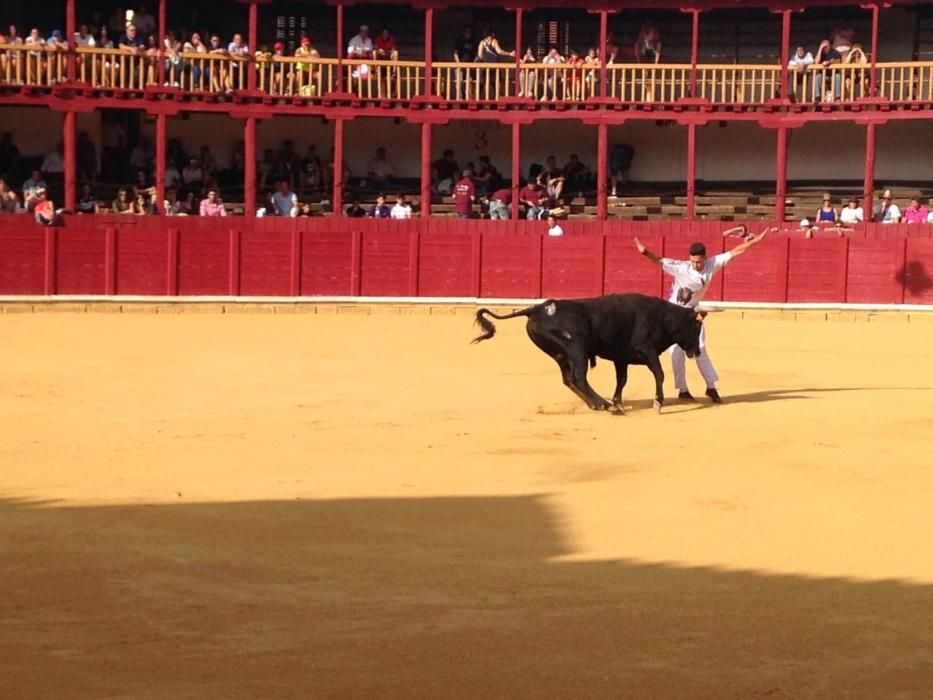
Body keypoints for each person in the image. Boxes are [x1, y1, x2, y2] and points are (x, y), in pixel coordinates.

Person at [634, 229, 770, 403]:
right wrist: (645, 252)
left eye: (698, 262)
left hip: (691, 315)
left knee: (700, 348)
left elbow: (737, 251)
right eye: (692, 261)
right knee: (675, 352)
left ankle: (711, 387)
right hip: (672, 317)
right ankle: (682, 390)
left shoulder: (712, 263)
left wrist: (757, 240)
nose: (695, 265)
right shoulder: (681, 267)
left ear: (705, 258)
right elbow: (658, 260)